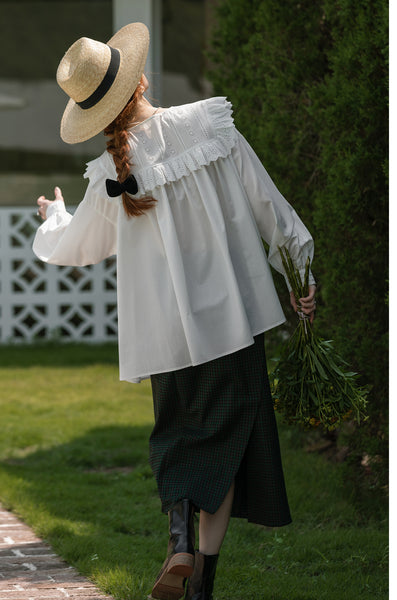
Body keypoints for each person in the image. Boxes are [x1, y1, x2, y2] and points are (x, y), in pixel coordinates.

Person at [32, 22, 316, 600]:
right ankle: (199, 585)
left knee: (180, 441)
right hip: (231, 323)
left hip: (164, 338)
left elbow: (77, 247)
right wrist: (300, 274)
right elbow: (269, 207)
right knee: (228, 445)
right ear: (140, 79)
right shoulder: (208, 126)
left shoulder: (110, 172)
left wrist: (52, 219)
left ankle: (180, 542)